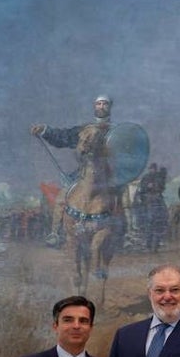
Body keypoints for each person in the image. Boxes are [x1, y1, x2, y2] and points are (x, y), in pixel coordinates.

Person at [30, 94, 114, 247]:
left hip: (110, 175)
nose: (101, 107)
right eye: (98, 104)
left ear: (110, 107)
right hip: (85, 174)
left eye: (105, 104)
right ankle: (55, 233)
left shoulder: (116, 132)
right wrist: (45, 131)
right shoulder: (85, 130)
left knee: (126, 197)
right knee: (63, 196)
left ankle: (131, 233)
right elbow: (64, 137)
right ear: (95, 107)